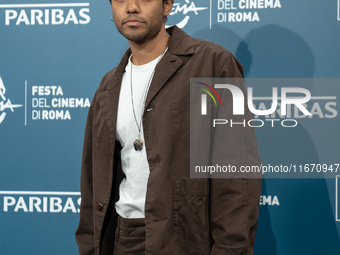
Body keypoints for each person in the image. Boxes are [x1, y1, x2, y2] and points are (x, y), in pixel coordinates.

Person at [75, 0, 262, 254]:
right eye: (120, 0)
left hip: (186, 240)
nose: (131, 7)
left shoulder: (213, 65)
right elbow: (92, 181)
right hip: (121, 238)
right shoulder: (108, 86)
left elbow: (236, 174)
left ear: (167, 6)